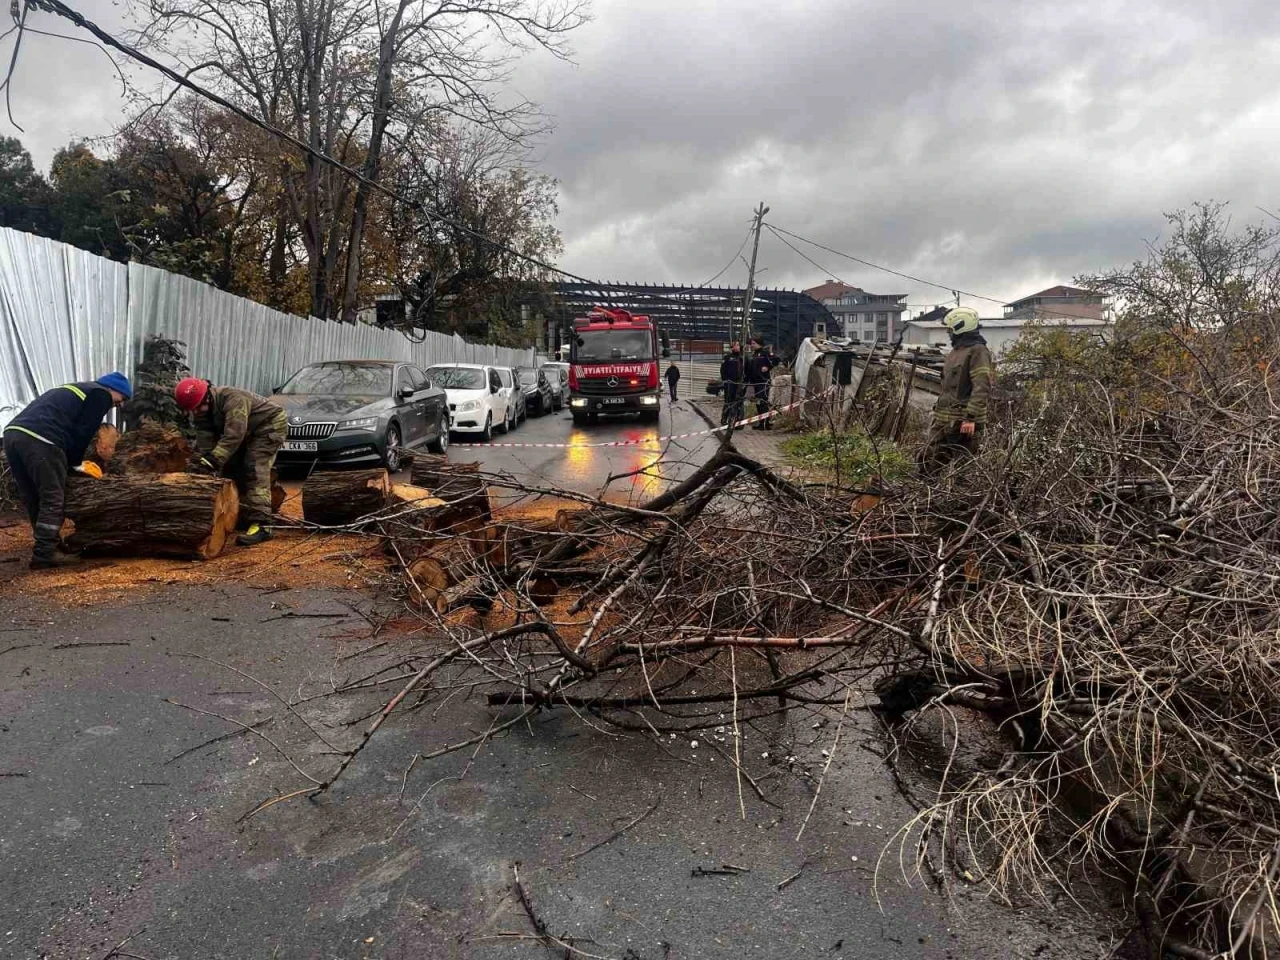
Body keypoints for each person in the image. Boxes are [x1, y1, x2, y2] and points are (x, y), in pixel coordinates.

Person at [1, 373, 132, 568]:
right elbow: (83, 431)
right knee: (53, 496)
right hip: (42, 439)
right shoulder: (101, 394)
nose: (119, 405)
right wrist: (76, 463)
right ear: (115, 389)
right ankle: (45, 553)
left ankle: (50, 545)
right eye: (122, 399)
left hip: (13, 435)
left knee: (33, 495)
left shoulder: (76, 388)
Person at [175, 378, 287, 546]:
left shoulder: (233, 399)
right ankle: (241, 513)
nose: (196, 412)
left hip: (270, 425)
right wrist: (206, 463)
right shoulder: (202, 411)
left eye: (198, 408)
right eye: (193, 410)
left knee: (254, 467)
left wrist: (215, 458)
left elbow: (234, 434)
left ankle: (263, 524)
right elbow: (206, 442)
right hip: (248, 430)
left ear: (207, 397)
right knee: (232, 467)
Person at [918, 307, 994, 476]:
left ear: (960, 327)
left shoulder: (978, 351)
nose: (948, 333)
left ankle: (964, 500)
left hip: (963, 422)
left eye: (950, 329)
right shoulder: (955, 352)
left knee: (963, 469)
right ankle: (926, 498)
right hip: (943, 420)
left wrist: (970, 418)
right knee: (928, 461)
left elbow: (981, 387)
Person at [746, 341, 774, 430]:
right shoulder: (754, 355)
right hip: (755, 382)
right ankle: (761, 422)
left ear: (759, 344)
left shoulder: (765, 353)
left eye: (754, 344)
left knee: (763, 402)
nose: (752, 345)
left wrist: (768, 367)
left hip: (763, 381)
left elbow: (775, 360)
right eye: (751, 344)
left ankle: (766, 423)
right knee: (758, 402)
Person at [719, 342, 744, 426]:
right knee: (728, 401)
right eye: (736, 345)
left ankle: (738, 419)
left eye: (739, 345)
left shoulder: (742, 358)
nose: (738, 347)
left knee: (739, 401)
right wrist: (725, 380)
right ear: (732, 347)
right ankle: (724, 418)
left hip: (739, 383)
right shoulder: (727, 357)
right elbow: (722, 370)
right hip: (730, 383)